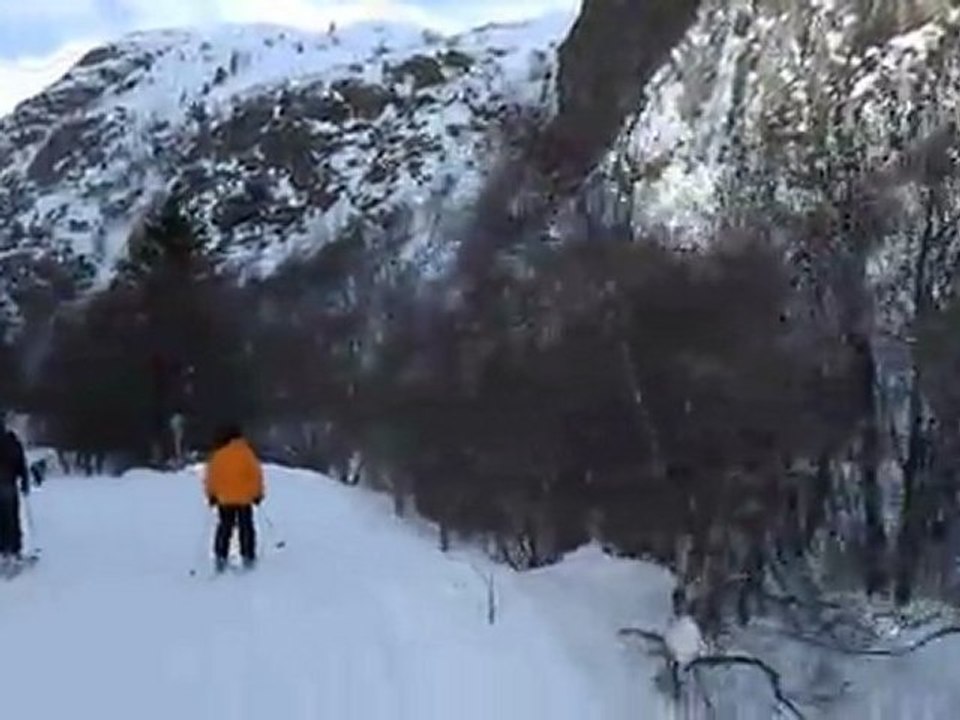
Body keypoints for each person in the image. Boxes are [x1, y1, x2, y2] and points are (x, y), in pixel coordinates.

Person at [204, 424, 264, 572]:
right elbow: (256, 476)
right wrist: (257, 494)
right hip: (244, 499)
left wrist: (211, 495)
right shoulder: (247, 454)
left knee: (224, 528)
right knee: (246, 528)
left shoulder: (219, 455)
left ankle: (220, 557)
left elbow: (212, 477)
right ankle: (248, 556)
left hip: (224, 499)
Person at [0, 421, 29, 562]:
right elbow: (21, 463)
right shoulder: (12, 442)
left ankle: (4, 550)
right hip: (8, 485)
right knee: (11, 518)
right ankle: (14, 549)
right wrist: (25, 482)